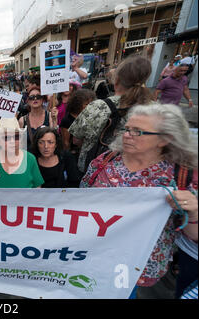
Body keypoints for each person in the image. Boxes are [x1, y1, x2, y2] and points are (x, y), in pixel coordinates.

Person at [80, 103, 197, 298]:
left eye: (138, 132)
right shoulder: (105, 161)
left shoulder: (180, 175)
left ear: (165, 139)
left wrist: (193, 211)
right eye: (127, 129)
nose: (127, 135)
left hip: (139, 270)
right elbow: (80, 201)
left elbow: (193, 233)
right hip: (93, 258)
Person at [69, 54, 153, 173]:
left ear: (116, 80)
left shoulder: (98, 107)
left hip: (95, 171)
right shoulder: (155, 109)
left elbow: (76, 140)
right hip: (138, 173)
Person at [0, 117, 44, 188]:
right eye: (6, 137)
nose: (12, 141)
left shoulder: (30, 159)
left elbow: (38, 189)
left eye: (16, 137)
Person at [60, 89, 96, 155]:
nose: (90, 106)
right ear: (77, 104)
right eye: (86, 104)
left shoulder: (89, 117)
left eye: (91, 103)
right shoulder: (67, 120)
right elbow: (66, 143)